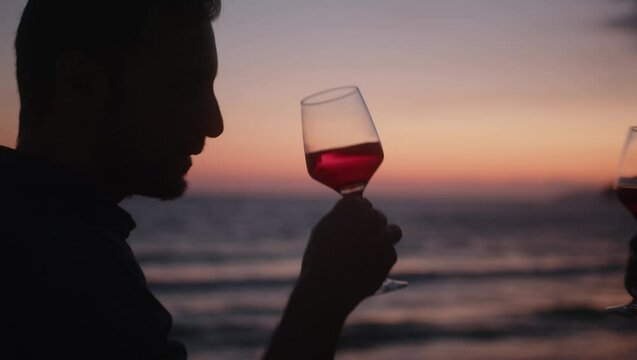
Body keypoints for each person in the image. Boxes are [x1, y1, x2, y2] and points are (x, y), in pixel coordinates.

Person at [0, 0, 402, 359]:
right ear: (79, 83)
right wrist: (320, 302)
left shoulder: (39, 228)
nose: (215, 124)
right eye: (186, 86)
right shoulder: (72, 272)